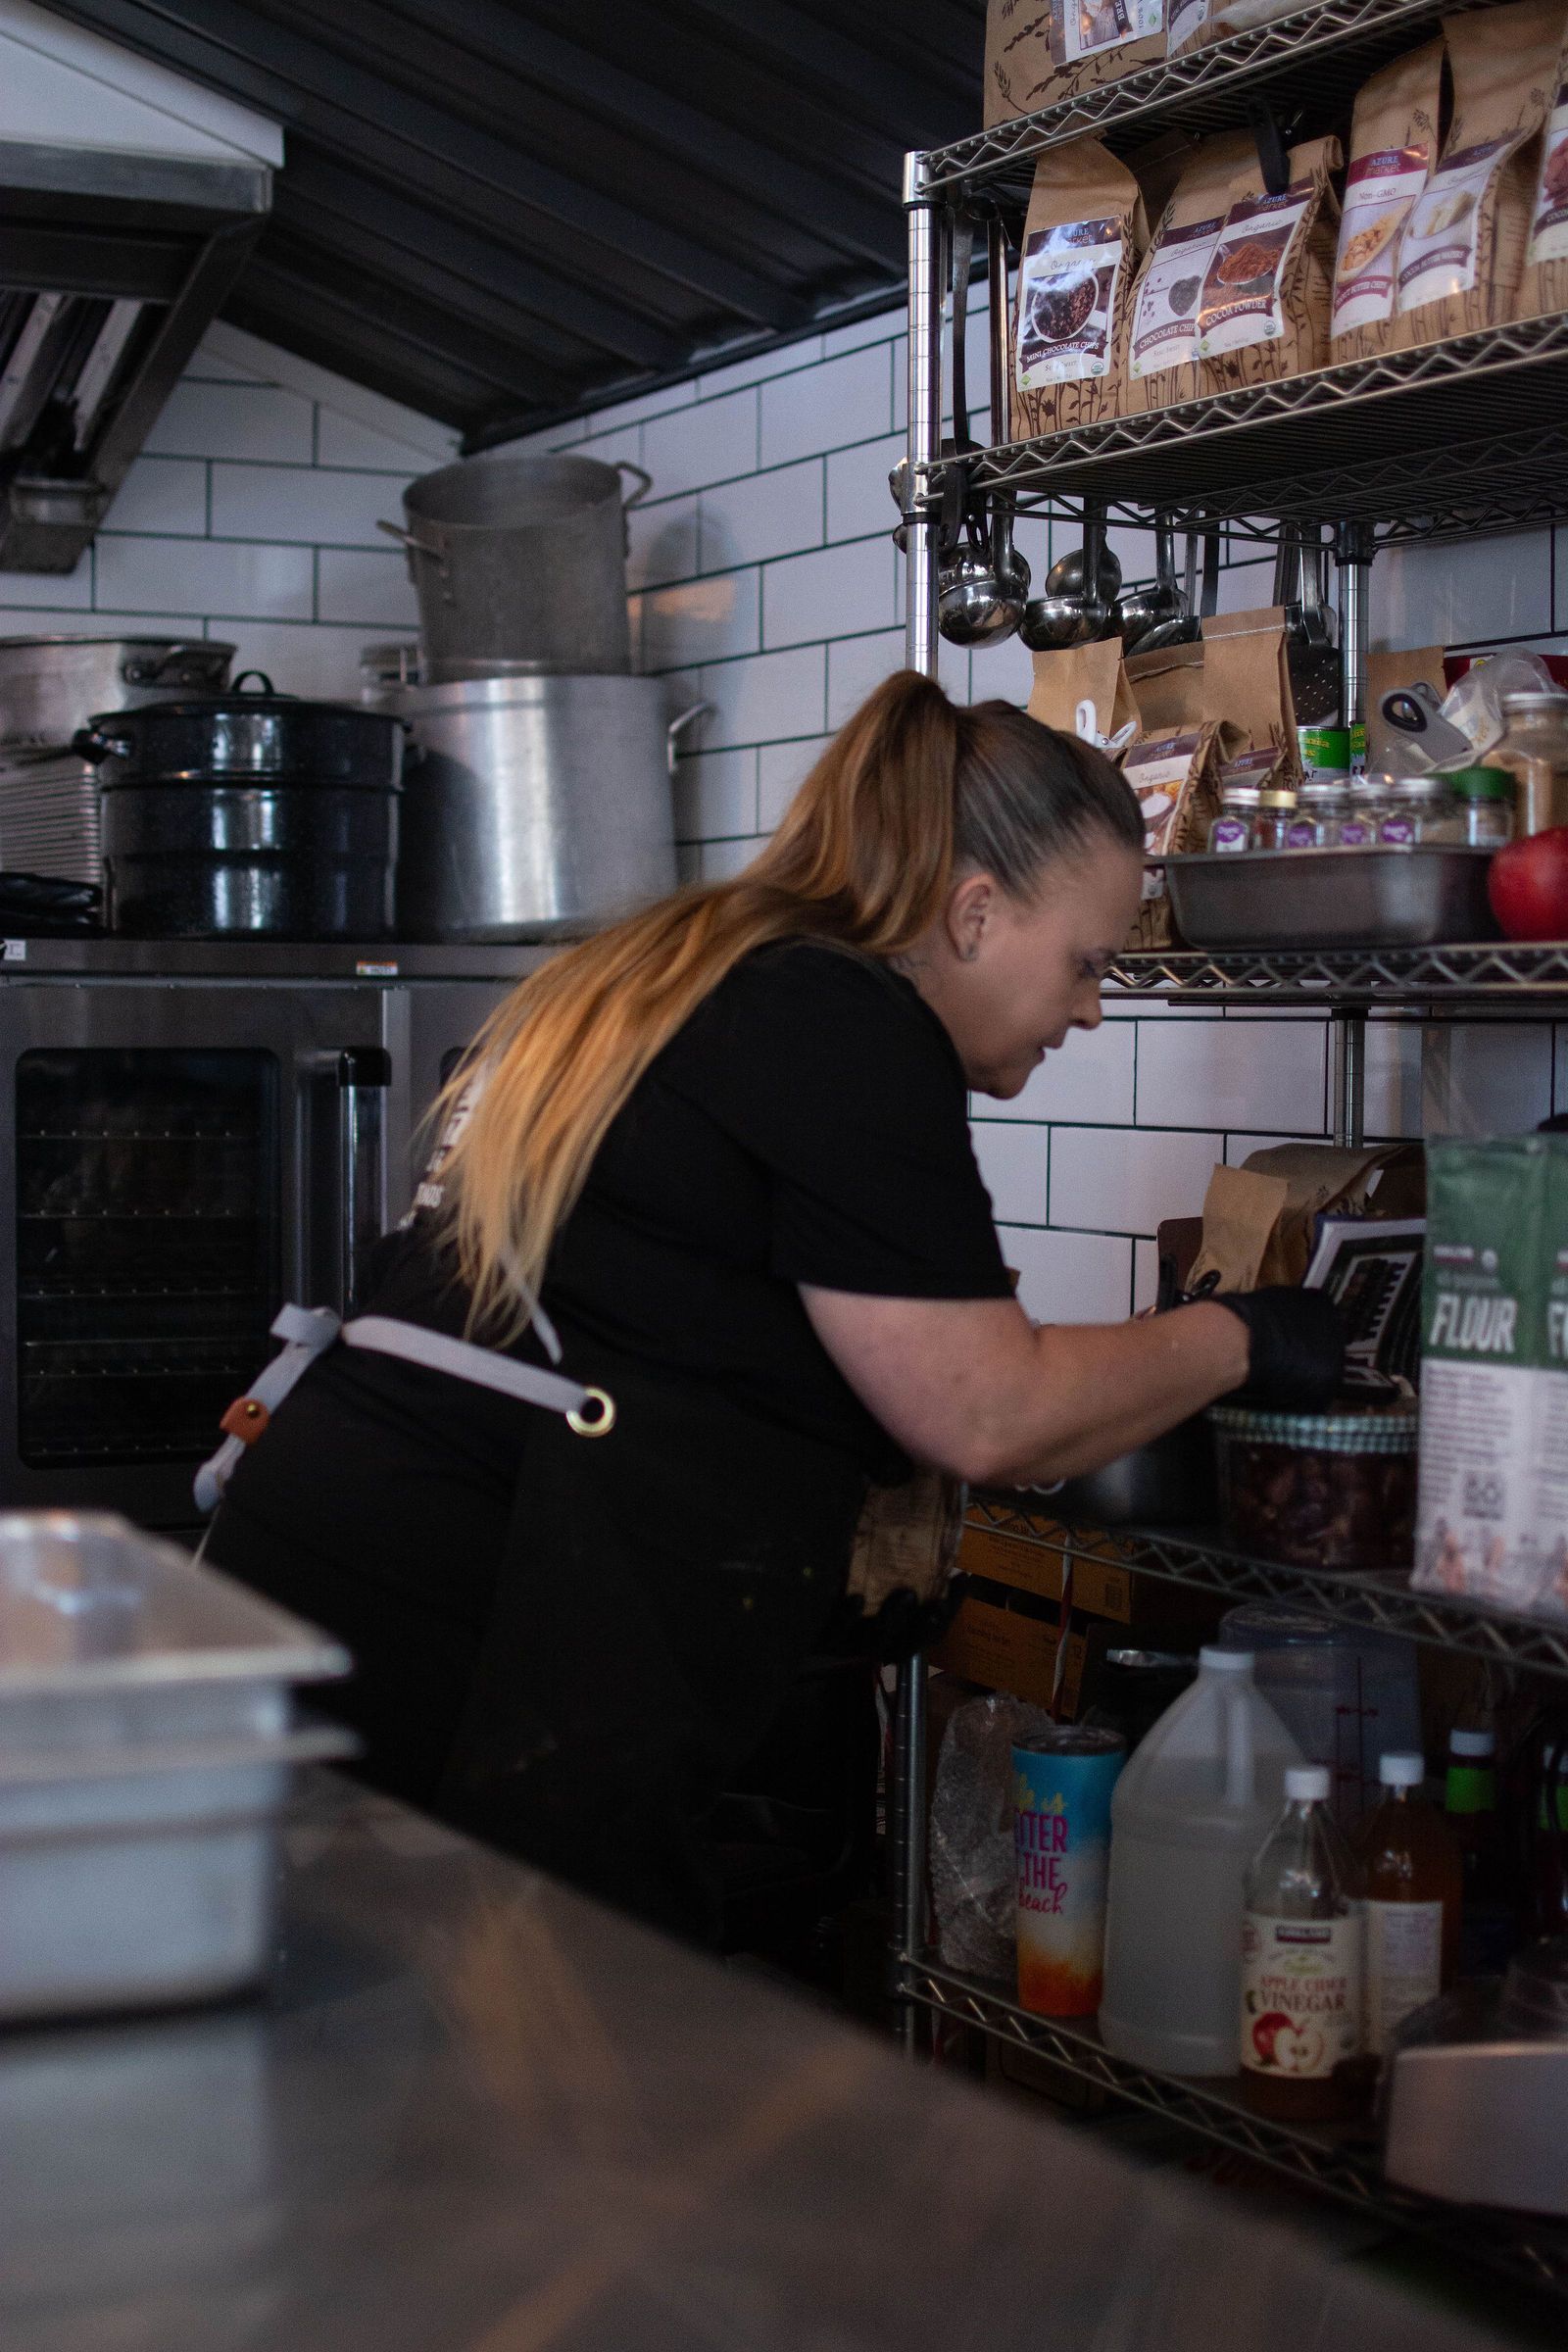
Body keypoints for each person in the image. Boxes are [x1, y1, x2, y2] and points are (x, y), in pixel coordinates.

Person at [205, 673, 1340, 1941]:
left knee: (363, 2058)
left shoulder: (687, 961)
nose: (1088, 1007)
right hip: (478, 1615)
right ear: (972, 914)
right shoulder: (838, 1019)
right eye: (1085, 963)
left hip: (341, 1564)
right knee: (513, 2059)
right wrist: (1250, 1335)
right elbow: (989, 1413)